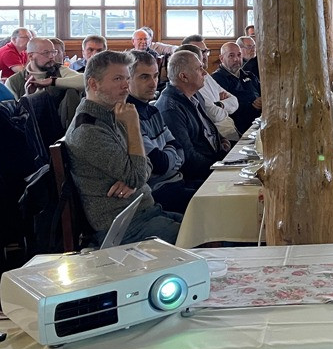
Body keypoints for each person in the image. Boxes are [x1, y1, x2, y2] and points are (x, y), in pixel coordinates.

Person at [66, 50, 182, 245]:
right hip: (122, 228)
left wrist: (133, 179)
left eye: (127, 78)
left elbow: (146, 166)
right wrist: (133, 126)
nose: (126, 86)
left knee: (213, 226)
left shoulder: (112, 114)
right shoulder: (88, 130)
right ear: (93, 84)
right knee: (209, 238)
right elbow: (139, 174)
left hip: (145, 213)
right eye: (118, 79)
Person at [126, 50, 193, 214]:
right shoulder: (128, 116)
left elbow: (180, 151)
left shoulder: (153, 111)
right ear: (127, 79)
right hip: (157, 192)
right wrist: (170, 156)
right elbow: (158, 163)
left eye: (155, 76)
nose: (153, 83)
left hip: (177, 181)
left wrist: (168, 156)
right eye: (144, 77)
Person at [155, 50, 231, 186]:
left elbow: (205, 125)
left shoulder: (194, 94)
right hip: (199, 177)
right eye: (199, 68)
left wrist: (221, 139)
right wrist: (221, 165)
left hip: (215, 159)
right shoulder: (171, 109)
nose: (205, 72)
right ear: (184, 76)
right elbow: (188, 158)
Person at [173, 42, 240, 141]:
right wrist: (225, 107)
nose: (205, 58)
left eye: (206, 52)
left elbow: (235, 101)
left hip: (229, 133)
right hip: (219, 137)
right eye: (202, 53)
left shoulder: (206, 76)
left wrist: (219, 104)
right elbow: (214, 115)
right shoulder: (193, 86)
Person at [6, 37, 85, 99]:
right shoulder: (13, 81)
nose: (51, 57)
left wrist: (53, 81)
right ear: (30, 56)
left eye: (53, 52)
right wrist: (28, 96)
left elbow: (86, 81)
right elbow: (11, 111)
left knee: (71, 91)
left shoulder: (59, 69)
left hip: (57, 115)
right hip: (29, 115)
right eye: (46, 53)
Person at [211, 41, 262, 134]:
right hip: (235, 128)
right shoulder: (216, 80)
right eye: (231, 56)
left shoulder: (250, 75)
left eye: (239, 55)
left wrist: (261, 100)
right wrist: (252, 103)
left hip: (258, 123)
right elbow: (224, 107)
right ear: (221, 58)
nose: (236, 59)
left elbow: (263, 93)